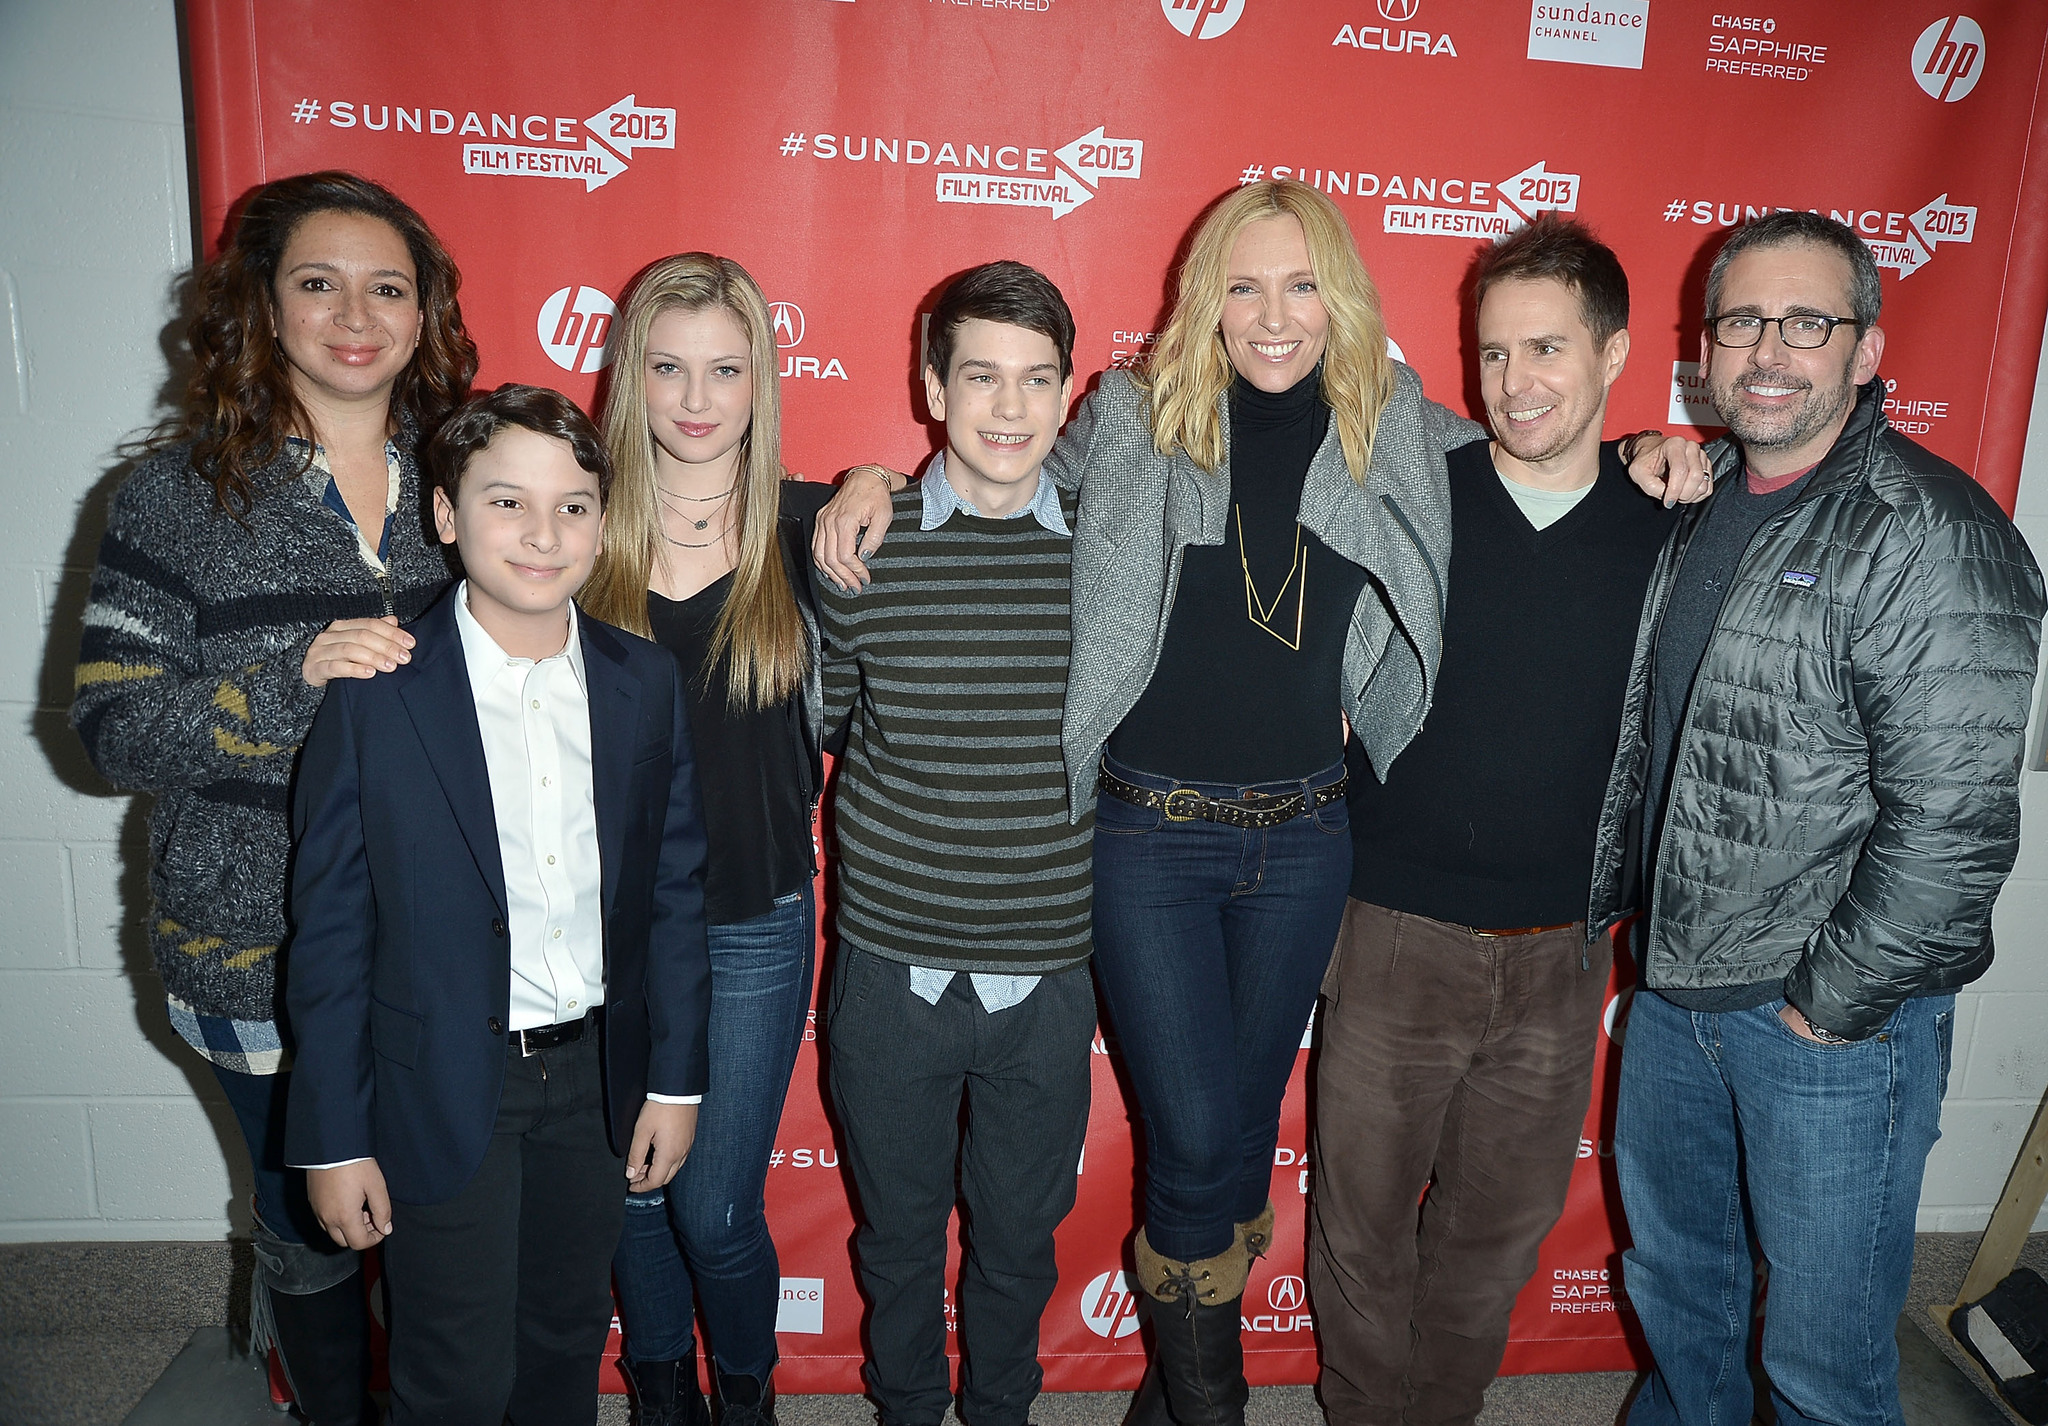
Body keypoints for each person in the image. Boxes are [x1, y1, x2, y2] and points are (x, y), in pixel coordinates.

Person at [813, 184, 1710, 1426]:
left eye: (1299, 284)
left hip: (1304, 838)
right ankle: (1212, 1404)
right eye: (1242, 284)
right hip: (1146, 838)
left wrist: (1648, 451)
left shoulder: (1387, 419)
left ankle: (1167, 1395)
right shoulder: (1128, 414)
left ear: (1336, 293)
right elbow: (991, 468)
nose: (1272, 314)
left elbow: (1523, 447)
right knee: (1190, 1137)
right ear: (1203, 296)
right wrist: (872, 473)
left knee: (1233, 1139)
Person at [1587, 210, 2046, 1426]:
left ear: (1864, 347)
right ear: (1703, 345)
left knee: (1820, 1358)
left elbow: (1950, 825)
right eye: (1741, 320)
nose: (1768, 350)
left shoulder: (1927, 533)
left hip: (1824, 1025)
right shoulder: (1698, 497)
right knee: (1678, 1291)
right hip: (1677, 989)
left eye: (1805, 321)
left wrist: (1826, 1007)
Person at [69, 170, 474, 1425]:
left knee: (439, 1219)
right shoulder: (174, 495)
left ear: (424, 315)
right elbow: (113, 727)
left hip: (443, 945)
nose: (354, 313)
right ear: (262, 305)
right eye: (317, 282)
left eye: (386, 286)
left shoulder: (473, 478)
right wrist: (287, 678)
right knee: (307, 1212)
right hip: (249, 947)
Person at [1308, 217, 1678, 1426]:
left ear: (1614, 353)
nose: (1516, 383)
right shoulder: (1415, 494)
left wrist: (1691, 459)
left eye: (1546, 349)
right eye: (1494, 353)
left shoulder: (1671, 525)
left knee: (1491, 1241)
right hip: (1392, 933)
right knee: (1359, 1231)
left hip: (1564, 956)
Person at [284, 384, 713, 1426]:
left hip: (593, 1078)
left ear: (603, 521)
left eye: (572, 506)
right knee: (453, 1375)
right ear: (444, 515)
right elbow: (331, 930)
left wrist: (675, 1079)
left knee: (564, 1344)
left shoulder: (642, 681)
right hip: (440, 1082)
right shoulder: (376, 689)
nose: (541, 533)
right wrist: (333, 1138)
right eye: (505, 502)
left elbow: (670, 894)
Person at [819, 261, 1097, 1426]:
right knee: (892, 1238)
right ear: (931, 384)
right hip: (891, 971)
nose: (1007, 407)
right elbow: (831, 721)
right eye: (979, 374)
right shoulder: (858, 551)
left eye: (1037, 380)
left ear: (1067, 391)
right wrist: (856, 481)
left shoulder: (1106, 560)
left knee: (1018, 1247)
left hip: (1048, 972)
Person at [579, 253, 831, 1426]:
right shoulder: (574, 532)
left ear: (758, 379)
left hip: (753, 924)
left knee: (715, 1207)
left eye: (723, 369)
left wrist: (877, 477)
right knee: (629, 1200)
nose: (694, 396)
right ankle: (660, 1393)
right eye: (668, 366)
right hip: (601, 935)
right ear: (630, 376)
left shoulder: (811, 527)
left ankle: (747, 1400)